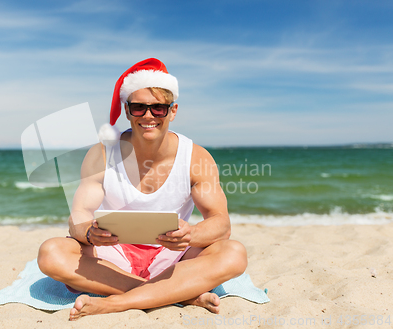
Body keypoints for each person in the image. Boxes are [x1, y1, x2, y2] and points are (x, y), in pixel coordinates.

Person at [37, 58, 247, 321]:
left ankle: (116, 303)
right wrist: (89, 233)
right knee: (51, 253)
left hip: (172, 257)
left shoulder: (196, 157)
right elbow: (77, 217)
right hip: (113, 256)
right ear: (127, 110)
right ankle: (178, 294)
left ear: (173, 111)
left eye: (158, 108)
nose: (148, 116)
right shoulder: (101, 154)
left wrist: (191, 233)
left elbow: (221, 224)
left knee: (234, 254)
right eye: (139, 108)